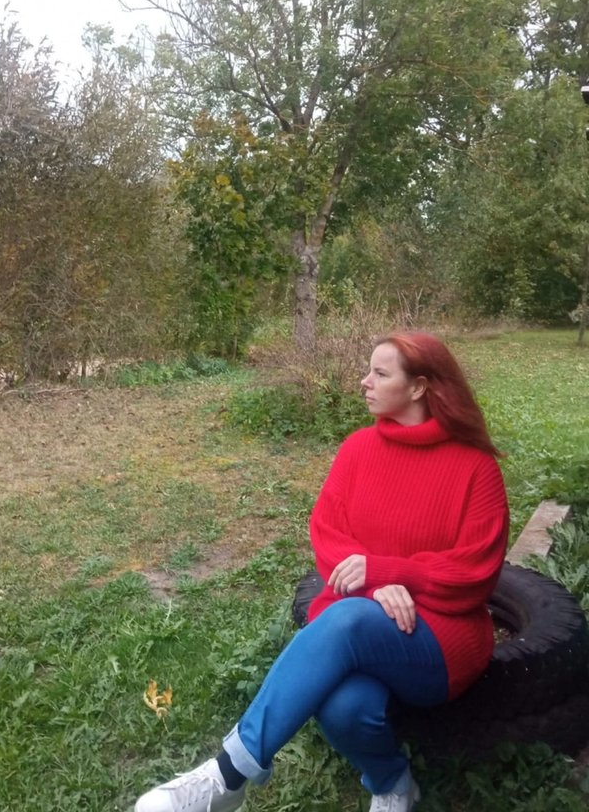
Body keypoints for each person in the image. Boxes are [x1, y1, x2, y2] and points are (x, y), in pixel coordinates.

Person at [135, 331, 509, 812]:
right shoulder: (357, 449)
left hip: (441, 638)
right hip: (364, 610)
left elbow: (475, 572)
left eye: (379, 373)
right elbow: (328, 534)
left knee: (347, 620)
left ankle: (228, 774)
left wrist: (386, 572)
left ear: (418, 386)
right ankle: (393, 783)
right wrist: (377, 587)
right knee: (344, 707)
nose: (364, 381)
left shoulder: (475, 468)